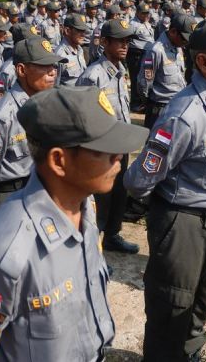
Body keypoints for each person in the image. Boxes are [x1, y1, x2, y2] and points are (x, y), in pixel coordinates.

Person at [0, 85, 148, 361]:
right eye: (104, 149)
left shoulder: (84, 209)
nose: (118, 157)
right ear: (59, 160)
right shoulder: (7, 252)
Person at [125, 15, 206, 361]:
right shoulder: (185, 114)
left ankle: (190, 351)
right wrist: (164, 217)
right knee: (172, 308)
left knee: (200, 300)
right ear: (203, 61)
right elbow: (140, 178)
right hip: (185, 224)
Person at [0, 38, 66, 220]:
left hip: (38, 190)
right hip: (9, 196)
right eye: (44, 66)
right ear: (22, 70)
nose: (53, 72)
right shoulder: (2, 116)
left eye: (54, 66)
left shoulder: (46, 103)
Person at [76, 19, 140, 255]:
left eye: (127, 41)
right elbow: (83, 116)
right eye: (119, 41)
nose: (125, 45)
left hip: (120, 145)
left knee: (118, 194)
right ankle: (94, 246)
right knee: (100, 200)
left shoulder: (120, 71)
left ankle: (112, 234)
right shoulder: (94, 75)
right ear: (104, 42)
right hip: (101, 149)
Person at [138, 12, 194, 128]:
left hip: (177, 105)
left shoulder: (178, 48)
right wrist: (150, 103)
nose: (186, 43)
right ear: (173, 32)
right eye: (184, 39)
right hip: (159, 110)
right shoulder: (156, 50)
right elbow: (144, 82)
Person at [127, 3, 155, 108]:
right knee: (135, 79)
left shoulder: (147, 23)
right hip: (136, 54)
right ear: (137, 13)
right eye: (143, 13)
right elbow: (127, 39)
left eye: (147, 13)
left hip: (147, 54)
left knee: (145, 78)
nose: (146, 15)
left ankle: (143, 101)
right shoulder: (132, 24)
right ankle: (135, 103)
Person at [54, 13, 88, 86]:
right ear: (67, 31)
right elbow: (54, 86)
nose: (83, 35)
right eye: (79, 31)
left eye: (83, 31)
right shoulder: (59, 55)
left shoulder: (79, 50)